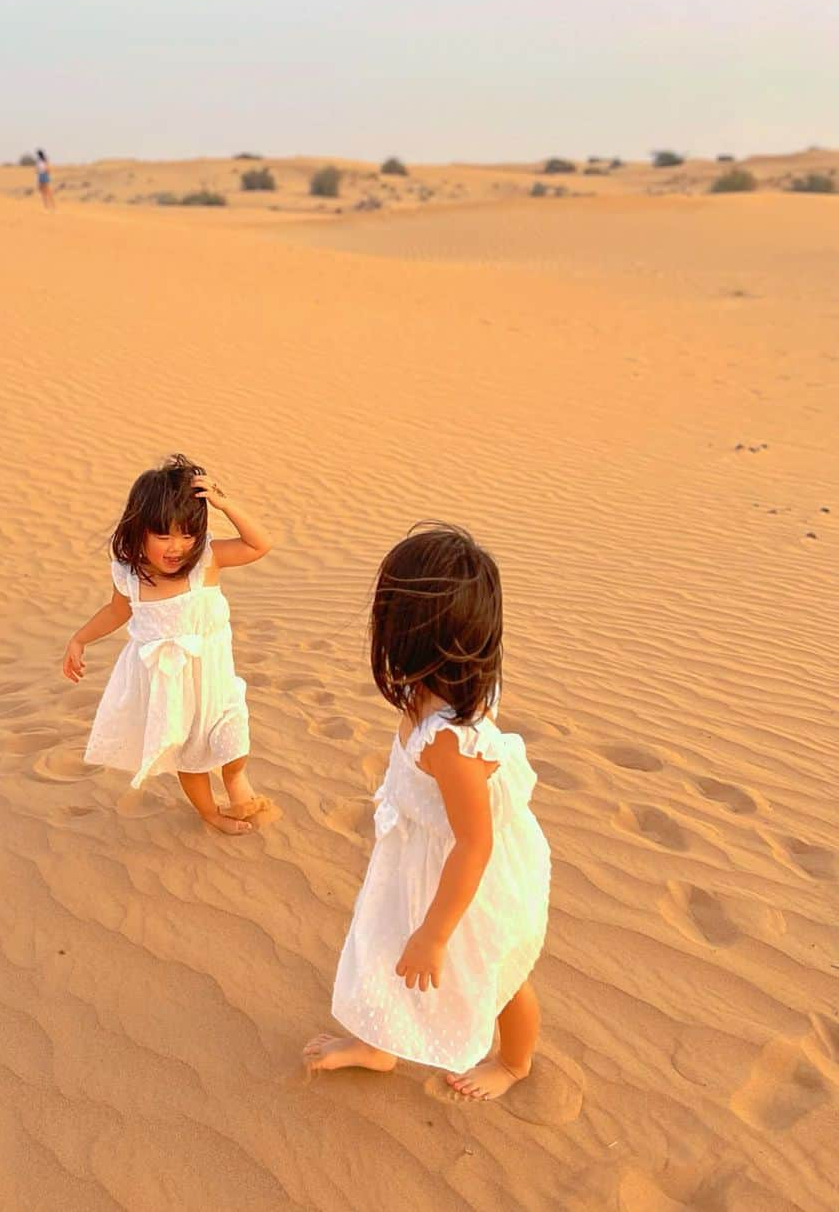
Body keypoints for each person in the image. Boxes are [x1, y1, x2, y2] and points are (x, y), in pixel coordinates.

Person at [304, 523, 550, 1101]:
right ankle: (377, 1044)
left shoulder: (448, 740)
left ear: (411, 638)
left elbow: (475, 844)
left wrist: (436, 934)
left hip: (468, 878)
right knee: (386, 946)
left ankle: (514, 1063)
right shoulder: (440, 684)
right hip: (419, 857)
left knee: (499, 973)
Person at [63, 455, 273, 836]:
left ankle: (234, 778)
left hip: (214, 677)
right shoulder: (129, 575)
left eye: (188, 534)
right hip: (171, 687)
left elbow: (259, 545)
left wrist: (225, 504)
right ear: (139, 528)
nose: (177, 547)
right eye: (164, 536)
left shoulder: (206, 561)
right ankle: (210, 813)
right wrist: (79, 639)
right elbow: (114, 613)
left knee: (234, 735)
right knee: (190, 758)